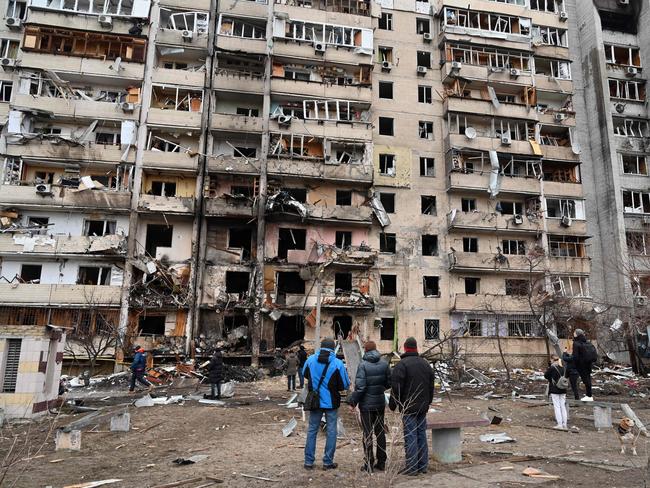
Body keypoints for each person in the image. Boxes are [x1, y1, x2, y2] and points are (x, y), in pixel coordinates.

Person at [389, 337, 435, 476]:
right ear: (416, 348)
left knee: (410, 436)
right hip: (422, 407)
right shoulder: (425, 364)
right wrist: (428, 402)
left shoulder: (402, 365)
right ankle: (422, 466)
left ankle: (412, 467)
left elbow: (396, 387)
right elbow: (431, 387)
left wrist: (393, 404)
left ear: (405, 348)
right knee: (421, 434)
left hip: (408, 407)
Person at [303, 337, 350, 470]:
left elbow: (304, 374)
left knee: (312, 430)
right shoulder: (337, 363)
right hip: (331, 402)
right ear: (332, 347)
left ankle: (308, 462)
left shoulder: (310, 360)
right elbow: (344, 384)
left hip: (315, 402)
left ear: (321, 347)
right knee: (331, 431)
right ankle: (327, 462)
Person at [348, 341, 390, 473]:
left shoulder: (363, 365)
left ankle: (369, 464)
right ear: (376, 349)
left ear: (365, 350)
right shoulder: (384, 363)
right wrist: (379, 389)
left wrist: (352, 402)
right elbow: (389, 382)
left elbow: (360, 388)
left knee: (367, 434)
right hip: (379, 403)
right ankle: (382, 462)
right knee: (380, 432)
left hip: (366, 405)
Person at [544, 354, 568, 429]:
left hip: (555, 389)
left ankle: (559, 424)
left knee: (557, 407)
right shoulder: (563, 368)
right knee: (563, 406)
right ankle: (565, 424)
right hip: (563, 389)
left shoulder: (552, 368)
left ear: (552, 360)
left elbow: (546, 375)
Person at [572, 328, 596, 401]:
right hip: (588, 363)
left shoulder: (576, 343)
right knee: (587, 379)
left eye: (574, 333)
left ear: (577, 334)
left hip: (581, 364)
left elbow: (575, 356)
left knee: (585, 380)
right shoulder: (587, 342)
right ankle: (589, 395)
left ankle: (589, 396)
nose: (573, 334)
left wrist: (574, 364)